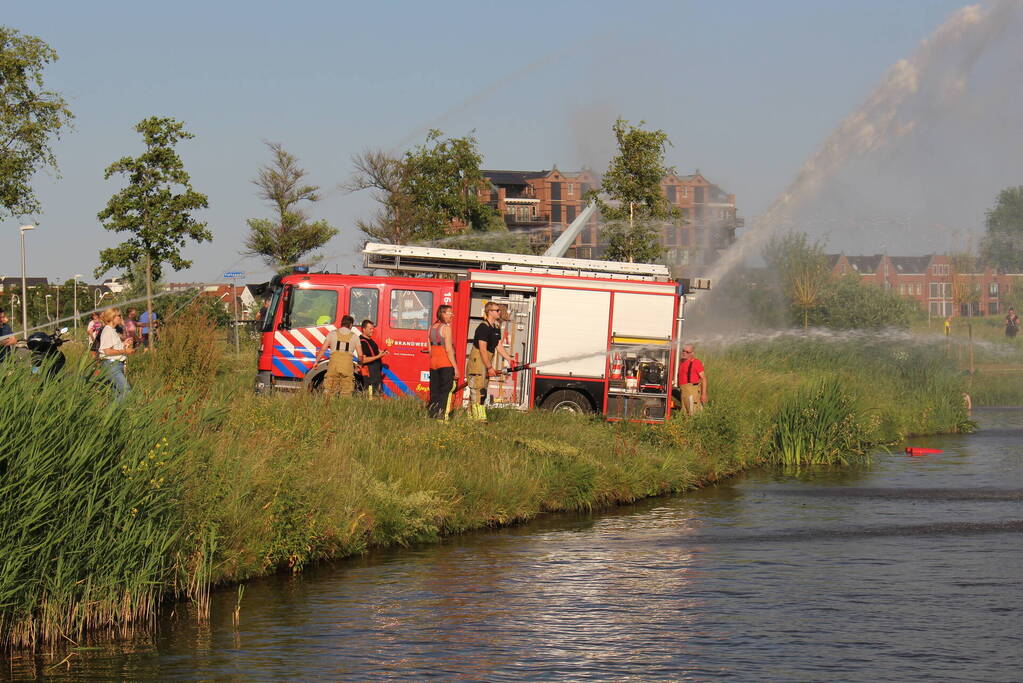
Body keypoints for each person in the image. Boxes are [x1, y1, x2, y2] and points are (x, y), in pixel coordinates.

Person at [465, 301, 515, 421]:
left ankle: (472, 417)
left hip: (486, 361)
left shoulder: (496, 327)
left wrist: (509, 358)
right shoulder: (483, 328)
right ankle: (478, 418)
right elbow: (482, 349)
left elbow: (498, 345)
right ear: (489, 312)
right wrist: (489, 367)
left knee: (483, 390)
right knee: (477, 390)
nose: (499, 312)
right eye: (497, 310)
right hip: (478, 363)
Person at [315, 315, 359, 397]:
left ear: (341, 323)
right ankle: (343, 408)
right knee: (346, 392)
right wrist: (360, 364)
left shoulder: (332, 334)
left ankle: (327, 408)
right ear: (350, 325)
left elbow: (323, 349)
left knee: (329, 391)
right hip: (347, 367)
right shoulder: (355, 336)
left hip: (333, 366)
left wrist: (316, 362)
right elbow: (360, 354)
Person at [428, 305, 459, 420]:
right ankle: (442, 417)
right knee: (446, 391)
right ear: (442, 313)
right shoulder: (446, 328)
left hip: (433, 364)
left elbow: (430, 349)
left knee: (434, 392)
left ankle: (432, 416)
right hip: (445, 364)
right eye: (450, 313)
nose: (452, 315)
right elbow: (449, 349)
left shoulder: (431, 328)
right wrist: (455, 367)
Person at [97, 307, 135, 401]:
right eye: (119, 315)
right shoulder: (107, 331)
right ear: (112, 317)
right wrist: (125, 351)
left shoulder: (112, 331)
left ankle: (114, 413)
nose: (120, 317)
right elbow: (107, 351)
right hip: (112, 365)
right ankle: (107, 414)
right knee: (127, 392)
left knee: (117, 394)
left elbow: (113, 347)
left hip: (115, 365)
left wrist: (124, 344)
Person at [675, 343, 707, 415]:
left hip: (692, 391)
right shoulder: (681, 362)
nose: (684, 353)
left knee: (694, 413)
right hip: (683, 391)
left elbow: (704, 379)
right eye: (683, 351)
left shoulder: (696, 362)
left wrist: (703, 394)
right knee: (685, 413)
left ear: (692, 353)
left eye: (687, 352)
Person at [359, 319, 388, 397]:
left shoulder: (371, 341)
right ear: (364, 329)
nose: (372, 331)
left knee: (375, 394)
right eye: (370, 329)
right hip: (369, 373)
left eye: (373, 329)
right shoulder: (362, 342)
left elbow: (376, 352)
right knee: (370, 396)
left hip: (375, 373)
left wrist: (383, 352)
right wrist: (378, 356)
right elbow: (363, 360)